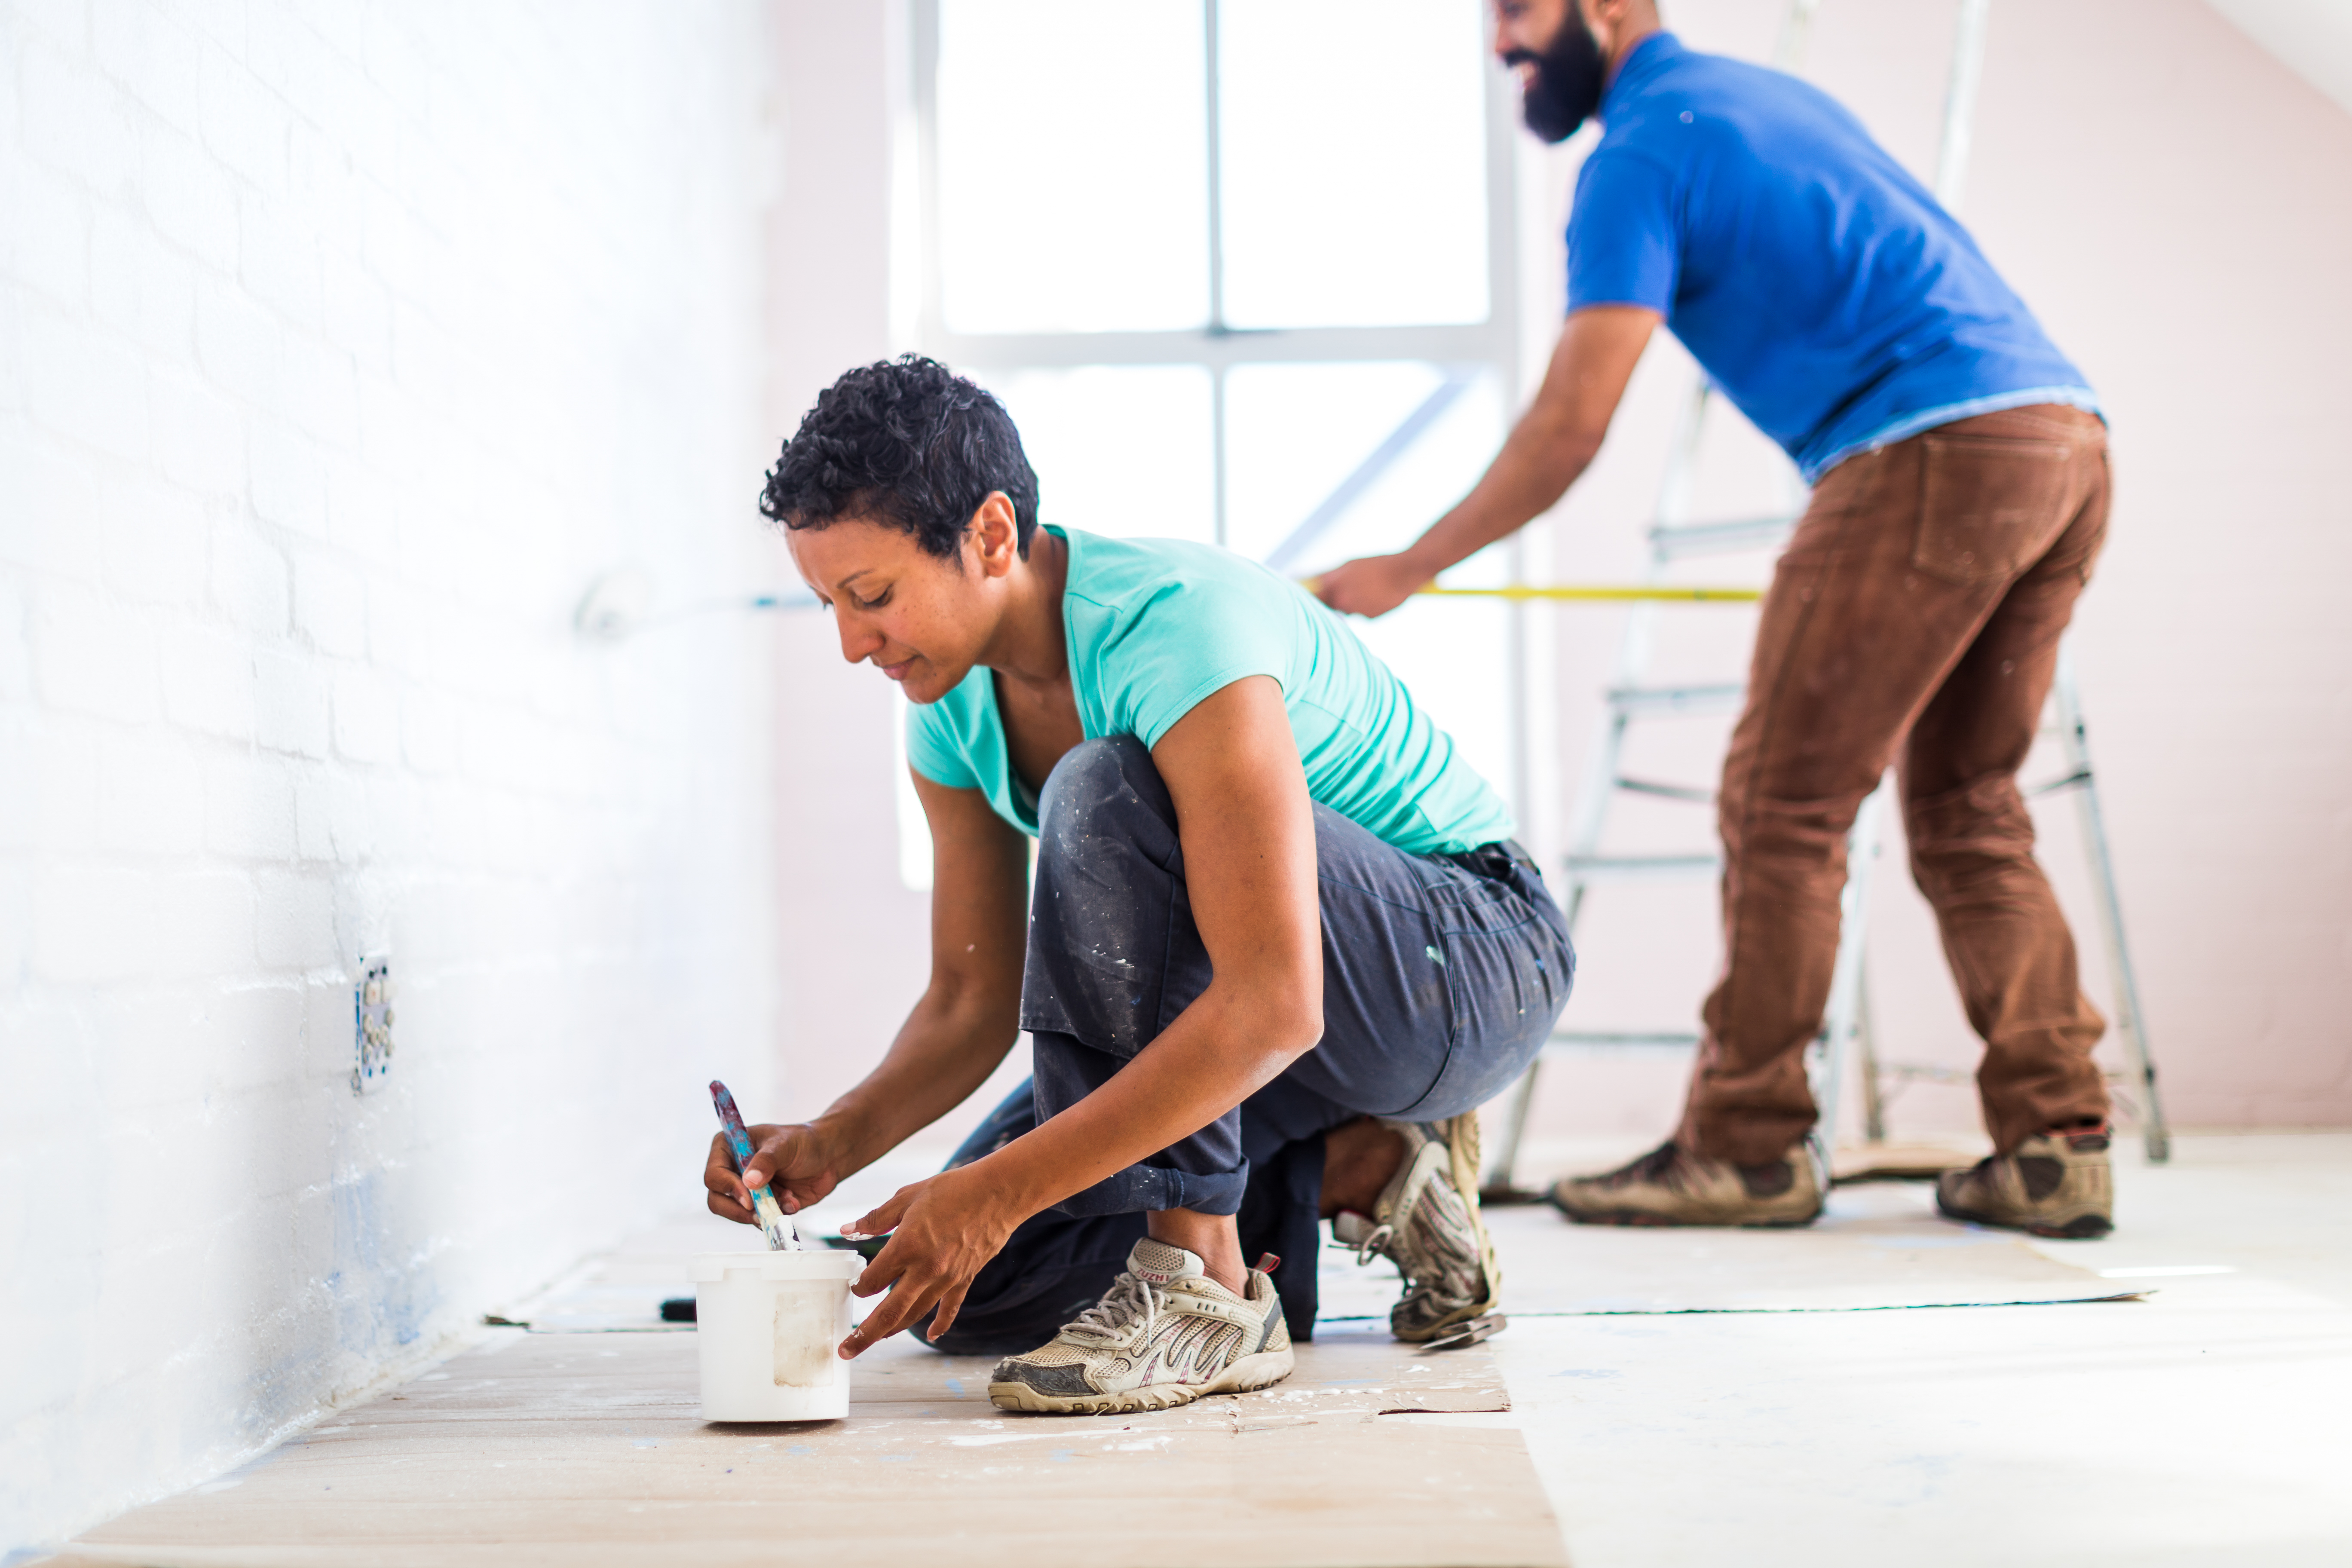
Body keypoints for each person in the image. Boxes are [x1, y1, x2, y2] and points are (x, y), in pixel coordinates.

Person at [1316, 0, 2117, 1239]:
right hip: (2060, 437)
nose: (1501, 46)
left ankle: (1744, 1146)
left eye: (1519, 11)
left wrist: (1411, 565)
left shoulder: (1639, 152)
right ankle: (2057, 1140)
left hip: (1927, 448)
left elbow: (1573, 423)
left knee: (1782, 805)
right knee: (1967, 806)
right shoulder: (1762, 100)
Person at [705, 356, 1574, 1415]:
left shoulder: (1174, 629)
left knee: (1107, 783)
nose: (852, 643)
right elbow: (972, 1000)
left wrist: (997, 1189)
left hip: (1467, 963)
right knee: (974, 1293)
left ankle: (1204, 1286)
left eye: (872, 596)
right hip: (1292, 1022)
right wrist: (834, 1143)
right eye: (829, 605)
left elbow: (1275, 1001)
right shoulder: (947, 704)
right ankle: (1361, 1166)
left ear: (988, 535)